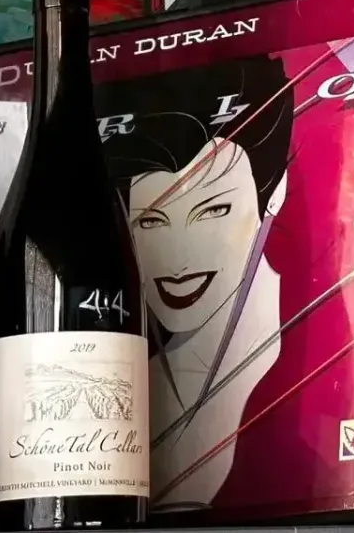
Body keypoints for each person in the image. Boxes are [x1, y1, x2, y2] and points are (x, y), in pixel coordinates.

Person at [119, 59, 294, 512]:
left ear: (274, 192)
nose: (178, 260)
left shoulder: (323, 347)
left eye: (213, 211)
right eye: (151, 221)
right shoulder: (119, 387)